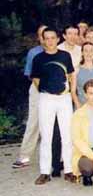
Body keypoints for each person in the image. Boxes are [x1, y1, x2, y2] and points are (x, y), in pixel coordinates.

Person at [31, 27, 77, 185]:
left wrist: (67, 92)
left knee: (67, 135)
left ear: (58, 39)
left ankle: (69, 170)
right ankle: (45, 172)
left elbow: (71, 75)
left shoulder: (65, 56)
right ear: (42, 40)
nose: (50, 41)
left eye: (53, 38)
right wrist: (48, 91)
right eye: (47, 38)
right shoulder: (38, 58)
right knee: (46, 136)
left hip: (64, 99)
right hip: (46, 99)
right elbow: (36, 79)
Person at [13, 25, 46, 169]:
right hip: (38, 89)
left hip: (57, 91)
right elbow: (30, 74)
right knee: (34, 122)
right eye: (41, 35)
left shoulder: (60, 50)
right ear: (39, 37)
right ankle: (24, 156)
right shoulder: (34, 52)